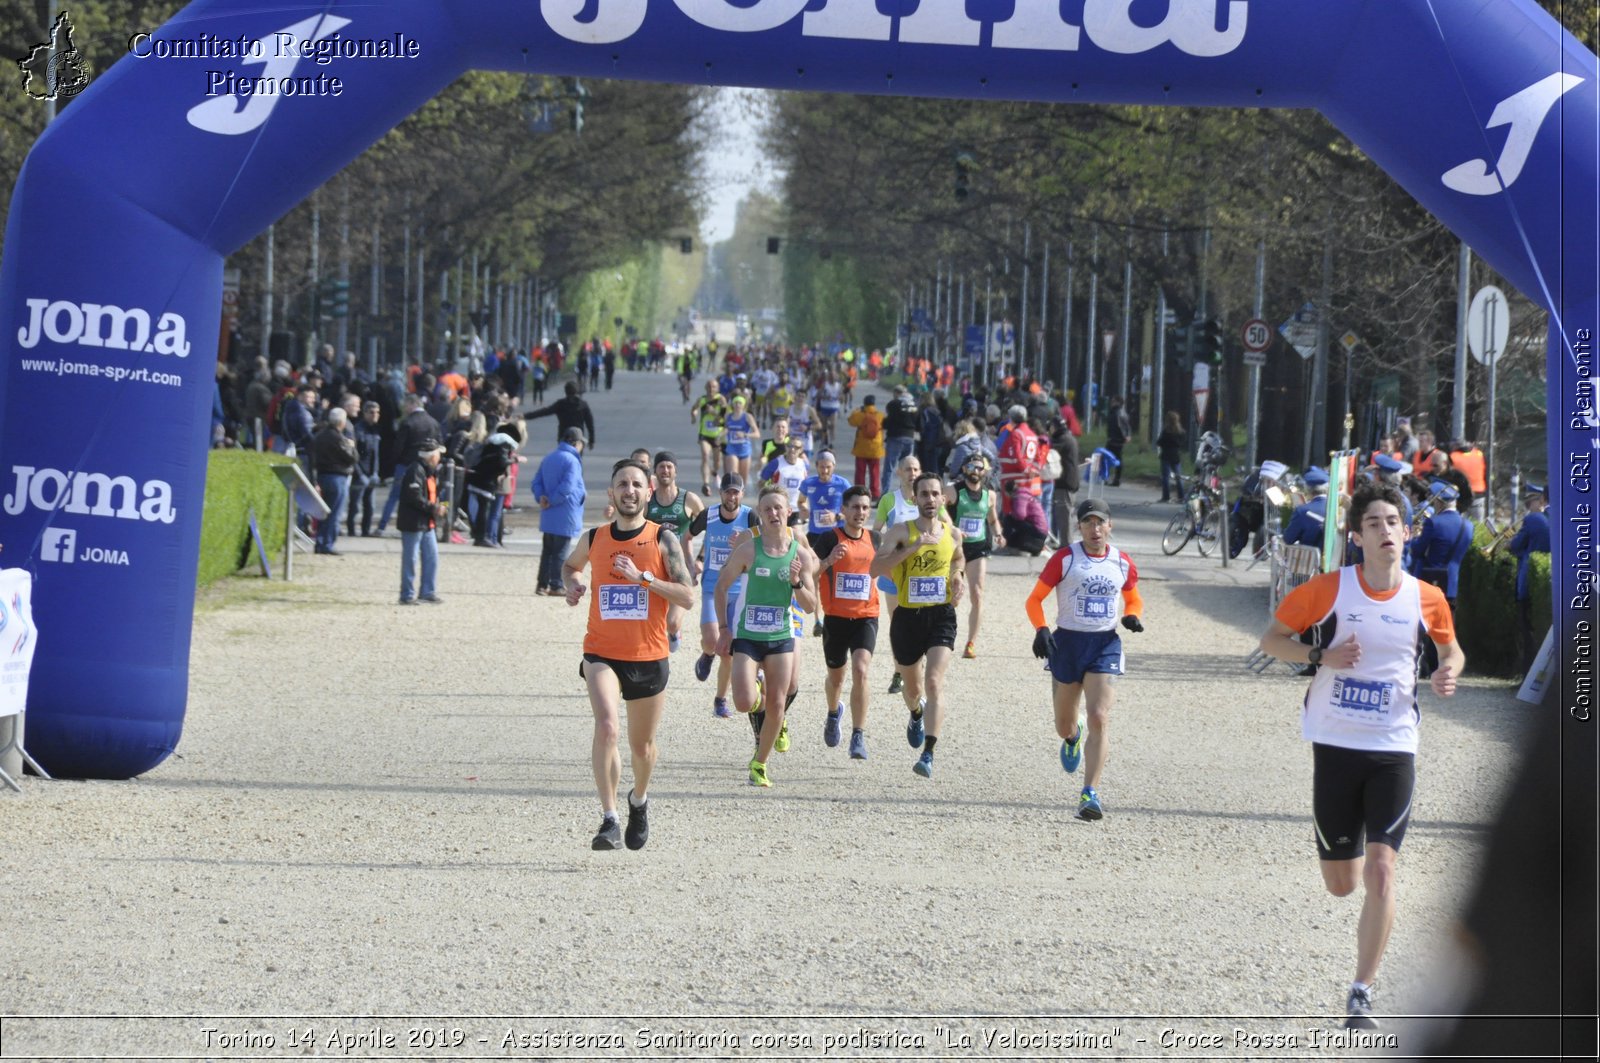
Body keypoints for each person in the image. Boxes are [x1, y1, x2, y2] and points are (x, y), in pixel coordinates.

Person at [1257, 482, 1463, 1030]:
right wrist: (1320, 654)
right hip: (1336, 744)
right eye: (1374, 522)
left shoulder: (1426, 597)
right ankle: (1359, 961)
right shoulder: (1329, 590)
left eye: (1394, 521)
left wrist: (1450, 671)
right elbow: (1272, 639)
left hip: (1394, 747)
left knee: (1382, 870)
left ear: (1408, 531)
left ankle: (1360, 992)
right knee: (1342, 883)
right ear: (1356, 536)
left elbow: (1450, 648)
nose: (1387, 530)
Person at [561, 459, 697, 850]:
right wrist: (572, 584)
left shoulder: (662, 540)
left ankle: (638, 799)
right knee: (607, 727)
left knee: (642, 747)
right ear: (611, 492)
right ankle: (609, 818)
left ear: (648, 492)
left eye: (637, 484)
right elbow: (570, 566)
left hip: (648, 654)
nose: (629, 490)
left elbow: (687, 596)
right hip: (601, 651)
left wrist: (645, 579)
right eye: (622, 484)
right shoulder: (595, 538)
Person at [1025, 497, 1144, 821]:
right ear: (1079, 526)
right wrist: (1041, 629)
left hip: (1104, 644)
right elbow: (1034, 599)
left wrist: (1131, 615)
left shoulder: (1121, 562)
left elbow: (1133, 597)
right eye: (1088, 522)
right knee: (1063, 725)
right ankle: (1073, 737)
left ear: (1110, 525)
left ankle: (1090, 792)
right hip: (1067, 644)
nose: (1095, 529)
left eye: (1100, 522)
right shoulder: (1064, 559)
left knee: (1099, 715)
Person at [712, 485, 820, 788]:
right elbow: (721, 587)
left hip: (782, 635)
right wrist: (723, 627)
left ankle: (759, 763)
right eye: (768, 508)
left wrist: (798, 583)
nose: (774, 513)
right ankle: (763, 705)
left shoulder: (800, 554)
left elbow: (810, 606)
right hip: (747, 634)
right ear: (760, 514)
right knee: (745, 701)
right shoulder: (748, 549)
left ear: (788, 512)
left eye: (778, 508)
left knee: (778, 703)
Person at [871, 471, 965, 779]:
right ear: (915, 498)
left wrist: (957, 576)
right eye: (923, 494)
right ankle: (915, 713)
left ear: (942, 498)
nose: (929, 499)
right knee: (913, 688)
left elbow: (958, 559)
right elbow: (876, 568)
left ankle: (928, 752)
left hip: (940, 614)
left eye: (934, 493)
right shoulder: (901, 531)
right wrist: (913, 547)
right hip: (907, 618)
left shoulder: (952, 534)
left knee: (934, 681)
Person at [689, 473, 760, 718]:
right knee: (711, 639)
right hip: (712, 587)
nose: (732, 496)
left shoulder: (750, 516)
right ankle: (707, 654)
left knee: (728, 651)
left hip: (739, 591)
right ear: (721, 494)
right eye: (728, 492)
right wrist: (690, 565)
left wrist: (742, 545)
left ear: (742, 493)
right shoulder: (708, 515)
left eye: (736, 492)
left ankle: (720, 699)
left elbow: (762, 546)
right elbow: (686, 536)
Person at [817, 486, 879, 760]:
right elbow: (810, 571)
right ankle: (833, 711)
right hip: (836, 618)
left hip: (866, 617)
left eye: (865, 508)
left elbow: (892, 565)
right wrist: (829, 560)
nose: (860, 513)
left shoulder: (876, 539)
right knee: (836, 677)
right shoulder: (830, 538)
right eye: (855, 507)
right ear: (843, 510)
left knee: (861, 669)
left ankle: (858, 734)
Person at [646, 451, 706, 652]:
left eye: (669, 467)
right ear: (655, 471)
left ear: (675, 471)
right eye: (661, 467)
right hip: (654, 566)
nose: (665, 470)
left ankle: (674, 632)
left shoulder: (689, 499)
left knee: (671, 622)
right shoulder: (648, 501)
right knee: (651, 620)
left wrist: (700, 559)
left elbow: (711, 526)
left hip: (680, 568)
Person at [947, 453, 1005, 659]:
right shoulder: (953, 491)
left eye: (980, 468)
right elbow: (940, 515)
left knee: (977, 593)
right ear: (964, 469)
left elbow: (992, 518)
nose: (975, 471)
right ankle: (945, 636)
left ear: (985, 471)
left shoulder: (989, 495)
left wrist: (998, 534)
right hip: (955, 549)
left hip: (978, 548)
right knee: (952, 597)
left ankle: (971, 642)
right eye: (971, 467)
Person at [532, 427, 587, 596]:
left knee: (547, 550)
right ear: (576, 443)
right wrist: (553, 500)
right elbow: (568, 487)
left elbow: (536, 482)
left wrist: (541, 497)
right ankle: (556, 585)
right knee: (560, 552)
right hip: (565, 512)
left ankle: (541, 584)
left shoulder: (549, 457)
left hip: (548, 514)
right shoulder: (572, 461)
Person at [377, 394, 441, 535]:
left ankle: (382, 526)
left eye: (406, 405)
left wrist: (394, 462)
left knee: (394, 496)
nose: (404, 408)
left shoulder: (407, 422)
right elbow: (439, 444)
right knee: (425, 495)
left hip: (405, 464)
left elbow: (398, 447)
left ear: (412, 404)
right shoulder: (433, 423)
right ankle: (429, 526)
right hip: (427, 466)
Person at [396, 439, 447, 605]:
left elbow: (434, 494)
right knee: (411, 559)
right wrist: (434, 508)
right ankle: (407, 595)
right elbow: (414, 497)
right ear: (431, 456)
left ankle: (427, 591)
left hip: (426, 522)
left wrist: (439, 507)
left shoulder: (430, 471)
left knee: (432, 556)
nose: (440, 457)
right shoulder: (415, 470)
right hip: (413, 522)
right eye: (438, 453)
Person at [1508, 483, 1551, 670]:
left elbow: (1517, 546)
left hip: (1527, 582)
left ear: (1542, 499)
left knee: (1528, 631)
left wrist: (1510, 543)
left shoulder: (1534, 519)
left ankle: (1528, 676)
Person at [309, 407, 357, 555]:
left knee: (324, 512)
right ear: (341, 422)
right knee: (334, 513)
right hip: (337, 477)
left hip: (323, 475)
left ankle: (320, 542)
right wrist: (352, 447)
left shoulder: (319, 436)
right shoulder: (339, 438)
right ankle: (327, 544)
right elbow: (352, 458)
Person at [347, 400, 383, 538]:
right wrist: (360, 474)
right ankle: (351, 531)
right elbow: (354, 455)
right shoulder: (358, 429)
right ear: (365, 413)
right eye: (371, 412)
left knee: (370, 506)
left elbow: (377, 455)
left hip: (371, 473)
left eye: (377, 412)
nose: (375, 415)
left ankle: (365, 531)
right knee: (355, 506)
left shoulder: (375, 430)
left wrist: (375, 472)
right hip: (359, 474)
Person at [527, 380, 596, 448]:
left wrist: (526, 416)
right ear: (576, 391)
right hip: (578, 438)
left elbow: (544, 412)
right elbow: (590, 424)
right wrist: (591, 440)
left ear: (565, 392)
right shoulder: (583, 405)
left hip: (564, 437)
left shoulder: (560, 404)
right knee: (576, 457)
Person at [881, 386, 919, 497]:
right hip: (909, 438)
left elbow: (887, 421)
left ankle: (885, 494)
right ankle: (906, 495)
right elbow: (919, 423)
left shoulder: (894, 404)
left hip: (895, 438)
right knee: (907, 468)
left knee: (889, 468)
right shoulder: (914, 406)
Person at [691, 380, 727, 494]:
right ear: (706, 388)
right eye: (709, 387)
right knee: (705, 455)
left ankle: (714, 472)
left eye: (714, 387)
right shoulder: (702, 400)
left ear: (718, 388)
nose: (711, 389)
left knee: (717, 461)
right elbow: (694, 408)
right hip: (704, 434)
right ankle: (706, 483)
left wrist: (713, 412)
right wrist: (694, 415)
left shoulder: (721, 400)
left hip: (717, 435)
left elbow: (725, 417)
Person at [846, 395, 885, 494]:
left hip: (861, 449)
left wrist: (856, 410)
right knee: (875, 473)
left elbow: (850, 421)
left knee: (860, 472)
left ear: (864, 403)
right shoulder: (880, 415)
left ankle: (860, 491)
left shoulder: (860, 415)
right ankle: (875, 492)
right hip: (876, 449)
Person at [1283, 467, 1330, 547]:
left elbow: (1288, 539)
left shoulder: (1302, 510)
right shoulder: (1337, 509)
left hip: (1307, 558)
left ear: (1308, 489)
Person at [721, 395, 760, 483]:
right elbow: (726, 428)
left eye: (740, 403)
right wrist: (721, 434)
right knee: (733, 476)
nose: (737, 405)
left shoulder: (747, 417)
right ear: (733, 405)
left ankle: (739, 495)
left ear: (743, 405)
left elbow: (757, 434)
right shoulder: (728, 416)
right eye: (736, 403)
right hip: (732, 449)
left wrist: (745, 435)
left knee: (743, 480)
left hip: (744, 449)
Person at [1156, 411, 1186, 503]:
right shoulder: (1181, 432)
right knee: (1178, 477)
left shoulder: (1166, 432)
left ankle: (1166, 497)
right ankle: (1181, 497)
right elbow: (1182, 443)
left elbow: (1159, 442)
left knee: (1166, 477)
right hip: (1176, 455)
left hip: (1166, 455)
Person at [1104, 397, 1131, 485]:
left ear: (1117, 402)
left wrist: (1123, 436)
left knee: (1106, 458)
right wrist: (1127, 436)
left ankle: (1106, 478)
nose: (1111, 403)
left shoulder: (1116, 413)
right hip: (1119, 440)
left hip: (1114, 439)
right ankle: (1116, 479)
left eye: (1113, 401)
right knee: (1118, 458)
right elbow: (1127, 426)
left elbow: (1119, 426)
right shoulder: (1124, 413)